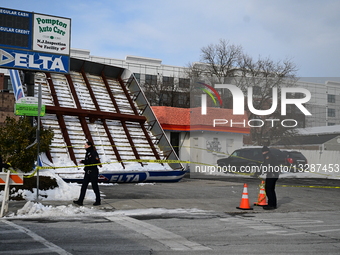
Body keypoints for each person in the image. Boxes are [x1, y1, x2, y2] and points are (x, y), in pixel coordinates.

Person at [73, 141, 101, 206]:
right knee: (84, 186)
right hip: (87, 172)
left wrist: (85, 162)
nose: (84, 146)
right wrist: (83, 161)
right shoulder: (87, 152)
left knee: (95, 186)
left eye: (85, 145)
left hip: (93, 172)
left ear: (89, 146)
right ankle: (80, 201)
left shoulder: (94, 152)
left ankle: (98, 200)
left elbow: (94, 161)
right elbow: (88, 161)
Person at [261, 146, 279, 210]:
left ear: (265, 151)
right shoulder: (270, 155)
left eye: (263, 151)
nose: (262, 153)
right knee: (271, 190)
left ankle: (271, 205)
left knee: (269, 189)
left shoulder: (268, 156)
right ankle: (273, 204)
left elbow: (267, 165)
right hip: (274, 174)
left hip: (272, 175)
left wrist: (260, 171)